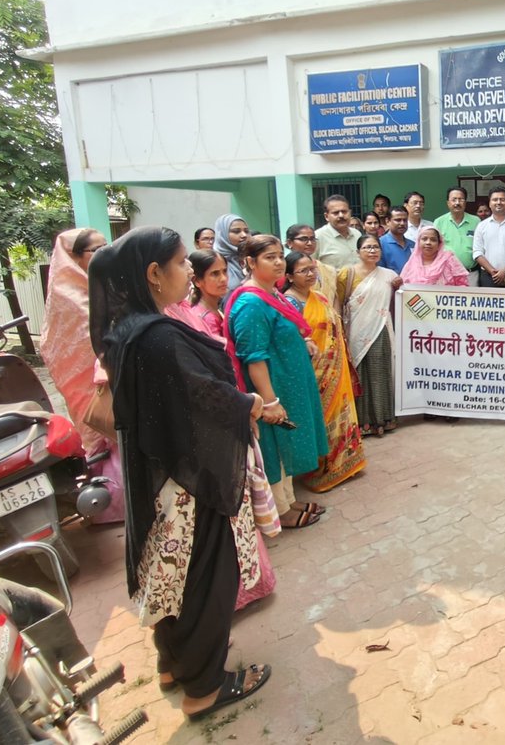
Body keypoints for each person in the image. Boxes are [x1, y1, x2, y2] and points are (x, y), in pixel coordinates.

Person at [87, 227, 270, 719]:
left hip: (159, 479)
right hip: (191, 483)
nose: (187, 272)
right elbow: (201, 397)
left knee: (170, 575)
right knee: (208, 580)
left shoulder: (126, 331)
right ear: (153, 274)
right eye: (179, 265)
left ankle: (173, 664)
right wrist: (247, 403)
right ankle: (205, 687)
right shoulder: (160, 337)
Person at [164, 248, 277, 612]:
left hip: (230, 407)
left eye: (220, 272)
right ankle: (227, 597)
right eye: (210, 274)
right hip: (210, 423)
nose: (221, 279)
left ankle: (248, 585)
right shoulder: (181, 319)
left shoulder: (203, 313)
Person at [225, 235, 329, 530]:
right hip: (273, 388)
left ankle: (289, 499)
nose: (279, 262)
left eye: (280, 256)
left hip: (290, 383)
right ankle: (280, 510)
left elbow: (285, 329)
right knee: (276, 446)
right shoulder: (250, 303)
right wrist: (269, 401)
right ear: (249, 262)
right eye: (269, 257)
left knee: (289, 444)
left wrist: (303, 341)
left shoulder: (273, 293)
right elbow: (253, 357)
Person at [39, 228, 125, 525]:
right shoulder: (69, 295)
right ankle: (107, 508)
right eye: (94, 250)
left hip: (112, 373)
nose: (104, 253)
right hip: (89, 382)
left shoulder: (106, 285)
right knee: (103, 432)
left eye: (106, 246)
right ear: (73, 257)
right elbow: (66, 344)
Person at [281, 253, 366, 492]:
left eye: (312, 269)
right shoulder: (289, 303)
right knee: (320, 419)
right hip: (313, 373)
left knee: (342, 414)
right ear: (289, 276)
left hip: (335, 370)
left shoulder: (319, 297)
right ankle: (322, 469)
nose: (310, 274)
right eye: (303, 271)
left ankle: (346, 462)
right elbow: (293, 340)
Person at [340, 236, 401, 437]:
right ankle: (362, 421)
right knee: (360, 374)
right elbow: (339, 304)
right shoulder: (346, 275)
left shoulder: (390, 275)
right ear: (358, 251)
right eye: (367, 247)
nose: (372, 251)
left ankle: (383, 419)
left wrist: (398, 286)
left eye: (376, 247)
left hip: (380, 330)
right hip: (355, 331)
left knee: (380, 373)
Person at [165, 248, 230, 340]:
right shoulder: (205, 318)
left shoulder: (213, 309)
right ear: (197, 281)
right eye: (215, 274)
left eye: (224, 271)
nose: (223, 278)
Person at [473, 184, 505, 288]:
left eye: (502, 199)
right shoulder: (482, 226)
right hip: (488, 276)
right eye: (495, 200)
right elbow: (477, 252)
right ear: (490, 203)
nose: (498, 202)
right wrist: (492, 271)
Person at [286, 224, 339, 311]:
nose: (310, 243)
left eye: (312, 239)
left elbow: (335, 298)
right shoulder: (283, 269)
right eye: (303, 239)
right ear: (289, 243)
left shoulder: (327, 270)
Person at [434, 186, 480, 285]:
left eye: (461, 199)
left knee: (471, 300)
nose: (457, 203)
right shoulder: (439, 222)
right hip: (447, 274)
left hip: (470, 273)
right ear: (448, 203)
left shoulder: (476, 221)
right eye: (454, 199)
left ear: (465, 202)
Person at [400, 226, 470, 287]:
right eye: (424, 239)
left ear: (439, 244)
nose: (428, 243)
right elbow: (403, 286)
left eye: (433, 240)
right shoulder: (412, 262)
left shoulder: (449, 259)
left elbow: (463, 284)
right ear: (418, 242)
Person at [314, 194, 361, 270]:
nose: (341, 215)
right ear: (326, 216)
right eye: (336, 213)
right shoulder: (318, 237)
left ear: (350, 213)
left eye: (344, 211)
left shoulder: (357, 234)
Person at [212, 214, 249, 292]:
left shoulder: (251, 258)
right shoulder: (213, 260)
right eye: (236, 231)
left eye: (246, 231)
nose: (244, 235)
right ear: (222, 234)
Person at [378, 207, 414, 274]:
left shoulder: (413, 245)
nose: (402, 223)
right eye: (398, 220)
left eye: (405, 220)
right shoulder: (380, 244)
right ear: (387, 221)